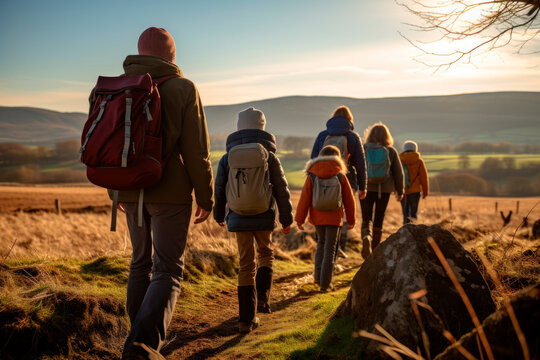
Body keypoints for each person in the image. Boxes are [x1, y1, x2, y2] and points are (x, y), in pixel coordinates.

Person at [88, 27, 214, 360]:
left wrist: (117, 190)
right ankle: (142, 347)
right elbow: (196, 150)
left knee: (139, 265)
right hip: (170, 192)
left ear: (140, 51)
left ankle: (137, 340)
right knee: (168, 270)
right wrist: (206, 196)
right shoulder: (184, 88)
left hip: (128, 190)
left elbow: (108, 145)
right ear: (172, 55)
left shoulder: (114, 87)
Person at [213, 107, 293, 333]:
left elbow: (219, 189)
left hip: (238, 216)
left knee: (245, 263)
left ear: (239, 127)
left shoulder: (228, 157)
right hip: (264, 214)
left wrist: (219, 215)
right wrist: (286, 220)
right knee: (266, 253)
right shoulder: (270, 156)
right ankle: (263, 302)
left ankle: (245, 321)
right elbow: (281, 189)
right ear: (262, 127)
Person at [295, 145, 356, 291]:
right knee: (330, 249)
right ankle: (325, 284)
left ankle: (317, 279)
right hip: (335, 218)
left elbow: (304, 199)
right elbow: (349, 200)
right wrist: (352, 220)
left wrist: (299, 219)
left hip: (318, 217)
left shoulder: (312, 175)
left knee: (321, 245)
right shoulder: (340, 175)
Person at [310, 106, 367, 255]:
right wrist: (363, 186)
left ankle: (324, 247)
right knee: (343, 214)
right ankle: (339, 247)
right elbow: (360, 164)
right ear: (349, 120)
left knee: (325, 210)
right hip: (346, 180)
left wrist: (312, 181)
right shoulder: (353, 137)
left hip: (322, 179)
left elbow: (313, 159)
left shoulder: (322, 135)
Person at [361, 123, 404, 259]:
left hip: (367, 188)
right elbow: (398, 172)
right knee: (379, 217)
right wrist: (400, 190)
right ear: (387, 136)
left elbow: (358, 168)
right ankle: (374, 250)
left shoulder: (364, 149)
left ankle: (366, 236)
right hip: (384, 189)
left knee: (366, 217)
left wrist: (358, 186)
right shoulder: (390, 151)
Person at [399, 141, 429, 224]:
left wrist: (396, 191)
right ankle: (414, 232)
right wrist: (425, 192)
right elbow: (424, 178)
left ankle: (405, 232)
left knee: (405, 214)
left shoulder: (399, 160)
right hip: (415, 192)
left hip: (403, 191)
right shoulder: (419, 161)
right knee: (413, 214)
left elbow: (396, 176)